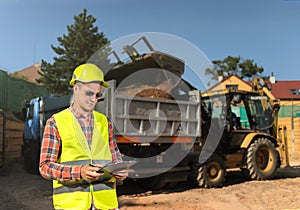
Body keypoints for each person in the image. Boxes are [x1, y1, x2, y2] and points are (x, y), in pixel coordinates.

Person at [39, 63, 128, 210]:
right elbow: (45, 166)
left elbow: (115, 157)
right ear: (76, 89)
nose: (93, 99)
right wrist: (79, 172)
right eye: (89, 93)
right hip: (72, 205)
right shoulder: (56, 122)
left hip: (105, 204)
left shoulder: (105, 123)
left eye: (97, 94)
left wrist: (120, 170)